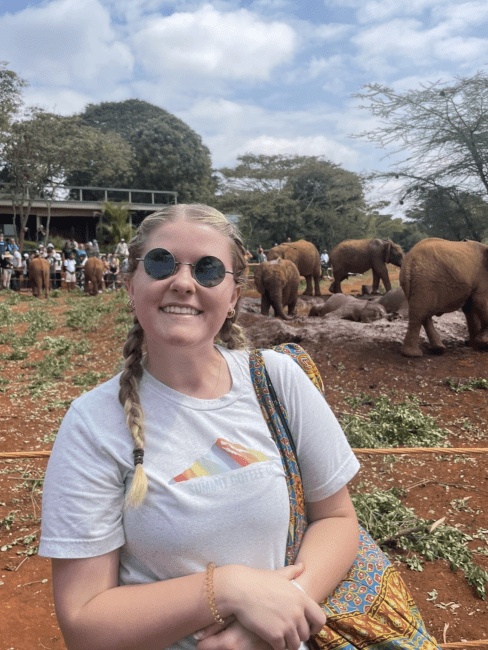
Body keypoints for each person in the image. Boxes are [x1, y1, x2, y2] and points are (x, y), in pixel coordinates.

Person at [39, 204, 360, 650]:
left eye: (208, 270)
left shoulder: (279, 379)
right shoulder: (92, 422)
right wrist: (228, 589)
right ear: (131, 286)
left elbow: (338, 518)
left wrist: (281, 609)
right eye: (161, 263)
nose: (184, 283)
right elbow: (83, 622)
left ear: (233, 297)